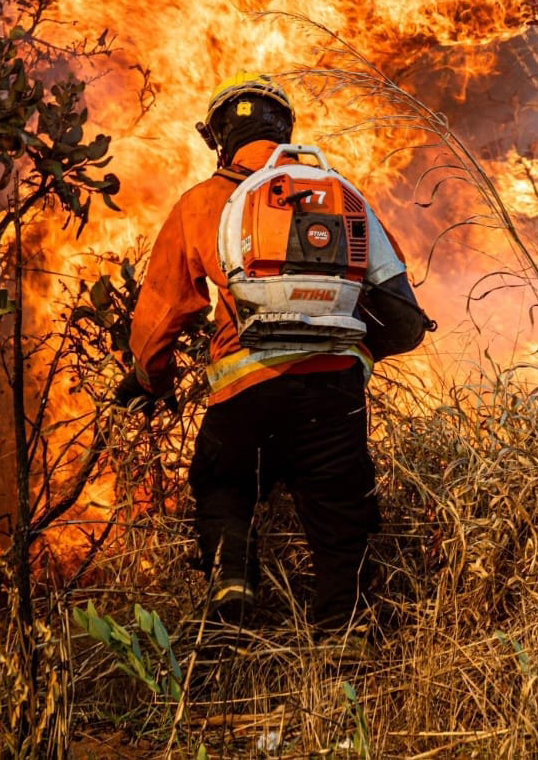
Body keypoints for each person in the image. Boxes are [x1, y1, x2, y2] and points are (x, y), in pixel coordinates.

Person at [115, 73, 429, 631]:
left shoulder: (203, 203)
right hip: (333, 392)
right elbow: (401, 316)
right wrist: (354, 353)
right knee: (340, 514)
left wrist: (149, 378)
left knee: (223, 483)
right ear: (285, 128)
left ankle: (233, 579)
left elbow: (166, 311)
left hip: (245, 385)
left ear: (218, 141)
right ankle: (345, 636)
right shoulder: (339, 196)